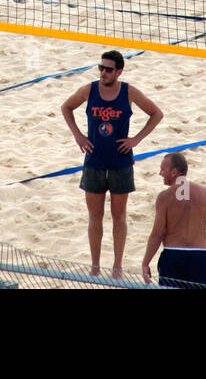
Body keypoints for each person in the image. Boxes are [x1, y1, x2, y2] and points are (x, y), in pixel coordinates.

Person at [60, 50, 164, 277]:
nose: (103, 72)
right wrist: (78, 135)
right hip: (94, 161)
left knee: (119, 217)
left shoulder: (128, 92)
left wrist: (136, 139)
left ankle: (117, 266)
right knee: (95, 217)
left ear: (119, 71)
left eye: (108, 69)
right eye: (101, 67)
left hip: (120, 163)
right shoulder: (89, 89)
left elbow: (156, 113)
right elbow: (66, 108)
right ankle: (95, 266)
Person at [141, 151, 206, 288]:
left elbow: (157, 234)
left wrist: (146, 262)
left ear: (174, 172)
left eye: (162, 169)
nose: (160, 173)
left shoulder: (165, 197)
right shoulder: (205, 193)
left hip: (173, 256)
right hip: (200, 256)